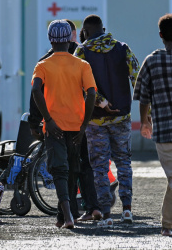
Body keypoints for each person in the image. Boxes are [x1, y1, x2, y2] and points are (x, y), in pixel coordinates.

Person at [74, 14, 140, 228]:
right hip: (122, 116)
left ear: (85, 32)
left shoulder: (81, 52)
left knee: (100, 168)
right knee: (124, 163)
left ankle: (106, 213)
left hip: (95, 121)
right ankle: (127, 209)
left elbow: (81, 86)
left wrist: (102, 103)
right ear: (103, 28)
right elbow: (136, 77)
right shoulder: (123, 48)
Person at [32, 19, 97, 229]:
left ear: (51, 40)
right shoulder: (82, 65)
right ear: (70, 39)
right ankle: (66, 216)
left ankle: (67, 216)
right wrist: (85, 125)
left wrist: (48, 120)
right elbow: (91, 94)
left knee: (59, 170)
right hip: (77, 127)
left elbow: (35, 91)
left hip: (55, 128)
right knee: (73, 169)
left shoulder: (42, 65)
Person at [133, 13, 172, 237]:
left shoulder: (152, 61)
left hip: (164, 131)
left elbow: (144, 96)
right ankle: (167, 225)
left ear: (160, 35)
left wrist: (145, 121)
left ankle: (167, 225)